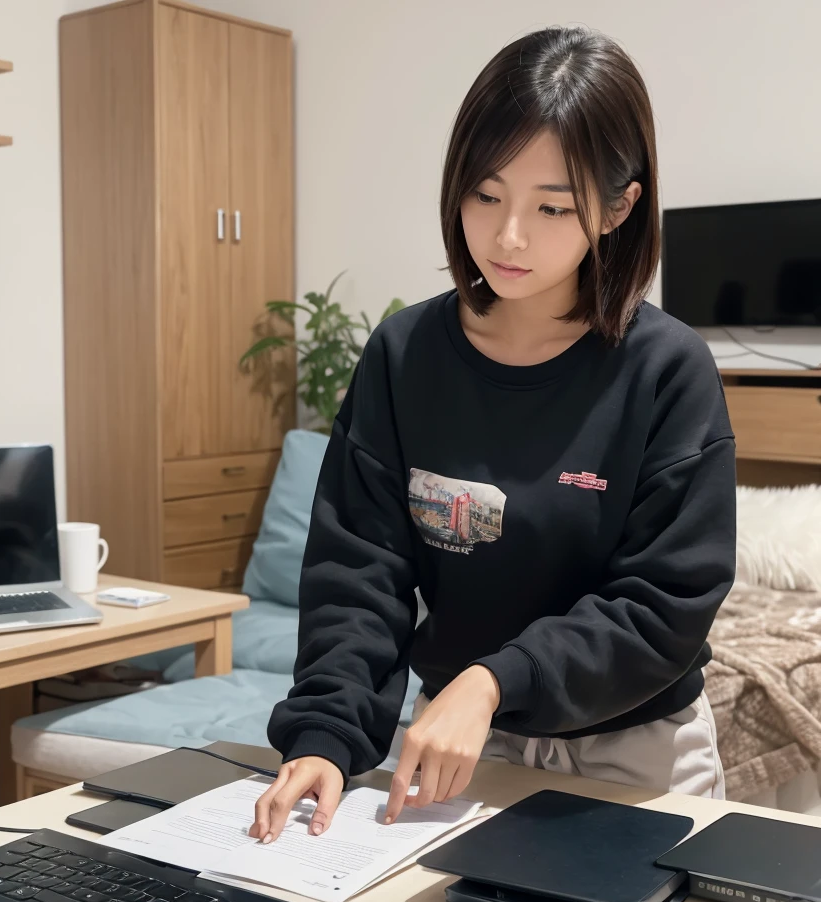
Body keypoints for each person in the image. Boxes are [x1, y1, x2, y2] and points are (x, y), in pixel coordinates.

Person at [250, 25, 736, 844]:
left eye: (552, 207)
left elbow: (663, 606)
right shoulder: (404, 356)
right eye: (486, 194)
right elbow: (357, 571)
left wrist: (491, 680)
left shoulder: (667, 371)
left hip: (636, 755)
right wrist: (329, 736)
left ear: (619, 207)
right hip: (460, 753)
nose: (509, 236)